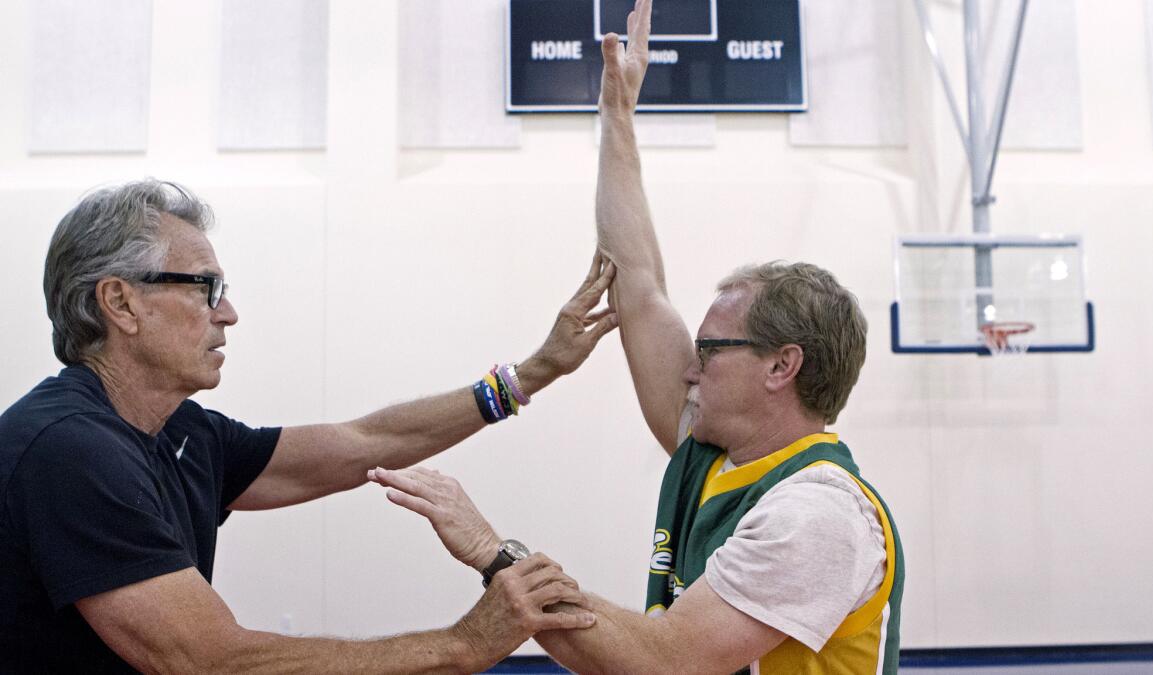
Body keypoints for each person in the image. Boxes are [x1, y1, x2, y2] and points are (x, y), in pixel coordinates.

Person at [369, 0, 905, 672]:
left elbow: (664, 661)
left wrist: (489, 548)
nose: (689, 367)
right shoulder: (714, 453)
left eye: (710, 351)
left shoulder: (815, 514)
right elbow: (639, 282)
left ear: (781, 366)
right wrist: (618, 114)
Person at [0, 179, 618, 672]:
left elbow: (366, 445)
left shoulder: (184, 431)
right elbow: (211, 661)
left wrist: (531, 375)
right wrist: (465, 644)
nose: (229, 313)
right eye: (205, 288)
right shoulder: (69, 450)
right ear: (121, 302)